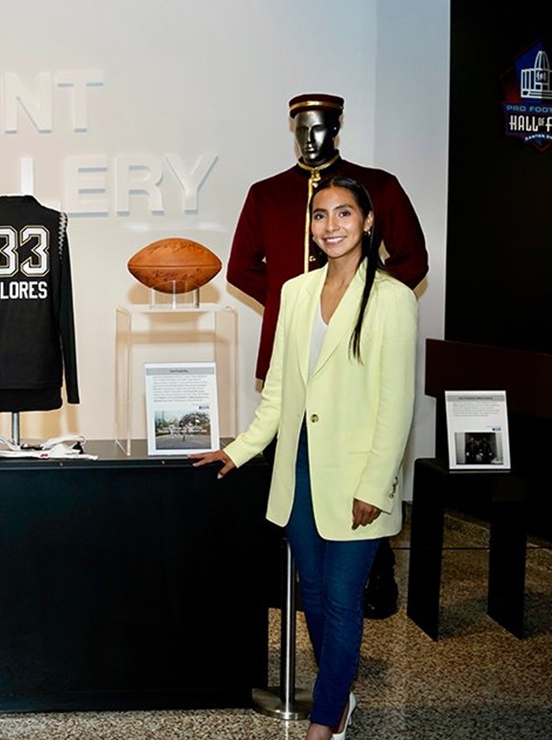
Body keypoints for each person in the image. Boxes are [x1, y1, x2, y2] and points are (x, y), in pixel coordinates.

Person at [193, 176, 417, 740]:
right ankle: (339, 694)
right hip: (298, 468)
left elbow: (396, 405)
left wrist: (375, 484)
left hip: (356, 476)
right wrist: (240, 449)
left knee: (342, 599)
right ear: (310, 227)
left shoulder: (391, 298)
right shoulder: (294, 291)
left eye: (345, 214)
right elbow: (280, 395)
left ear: (368, 222)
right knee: (311, 594)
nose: (332, 225)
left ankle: (324, 719)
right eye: (321, 215)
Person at [227, 93, 428, 619]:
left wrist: (365, 310)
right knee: (297, 485)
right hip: (292, 348)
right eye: (302, 124)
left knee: (350, 499)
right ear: (291, 127)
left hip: (360, 358)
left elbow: (413, 257)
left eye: (322, 124)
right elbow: (240, 268)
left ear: (337, 126)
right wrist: (283, 298)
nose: (311, 134)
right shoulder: (267, 194)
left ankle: (368, 578)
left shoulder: (375, 185)